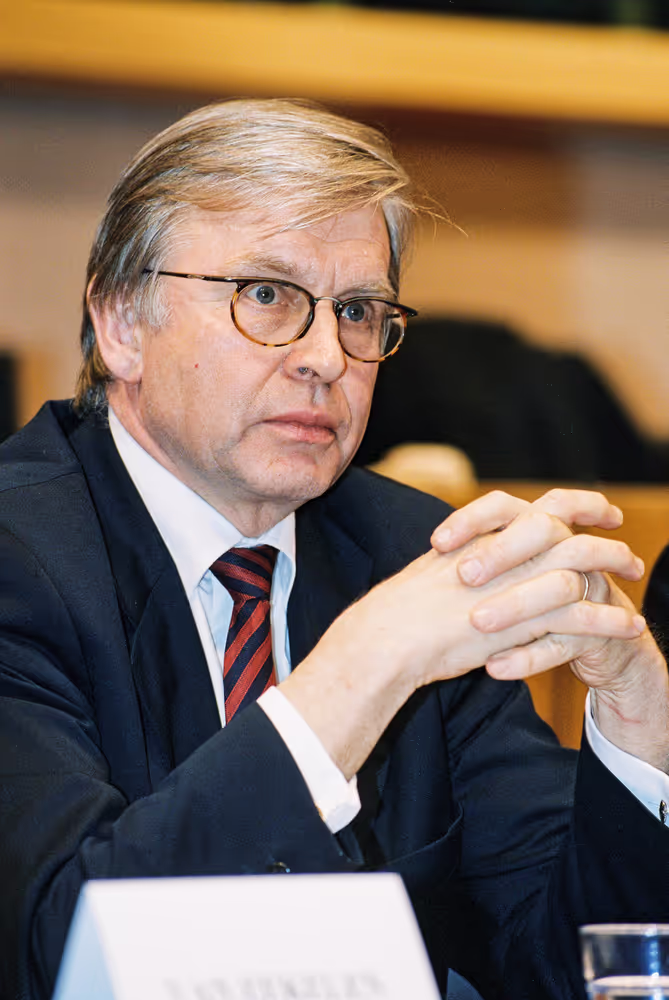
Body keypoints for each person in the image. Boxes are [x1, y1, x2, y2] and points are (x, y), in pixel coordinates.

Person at [0, 98, 667, 1000]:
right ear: (121, 323)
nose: (325, 355)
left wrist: (639, 726)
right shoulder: (19, 555)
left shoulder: (408, 548)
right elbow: (62, 953)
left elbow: (568, 963)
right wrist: (363, 665)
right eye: (265, 295)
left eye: (357, 309)